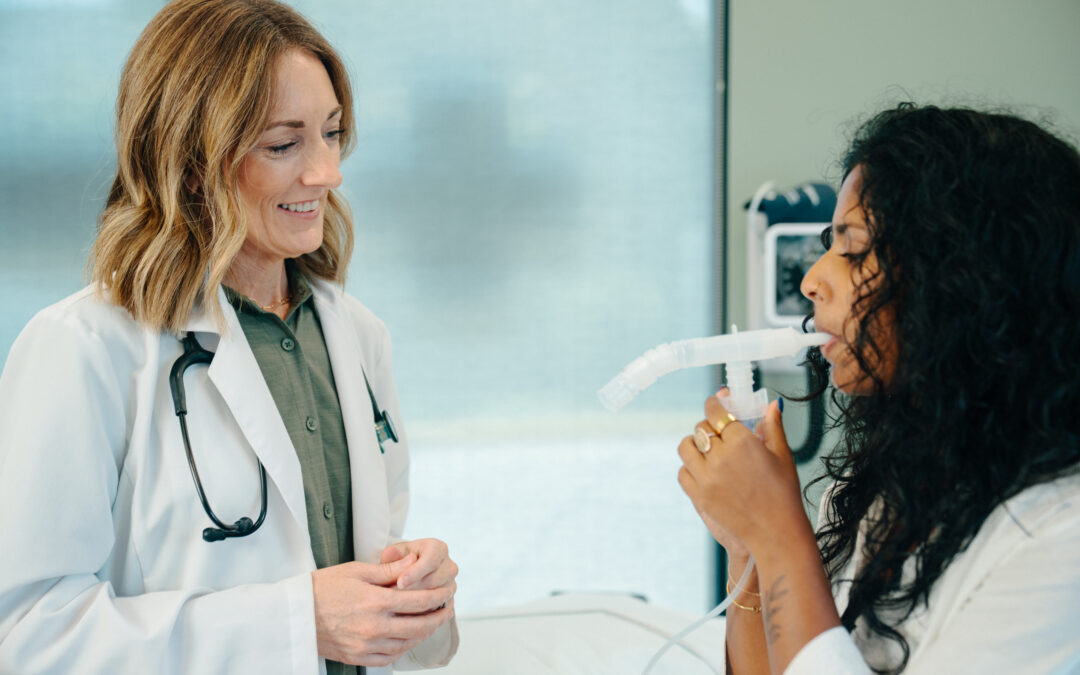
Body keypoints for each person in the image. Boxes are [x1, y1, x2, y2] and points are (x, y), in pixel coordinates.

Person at [0, 1, 458, 673]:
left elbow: (355, 570)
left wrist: (415, 592)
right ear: (189, 160)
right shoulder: (85, 347)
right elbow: (26, 633)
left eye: (331, 133)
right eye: (284, 143)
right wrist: (297, 622)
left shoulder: (356, 335)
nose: (326, 172)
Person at [678, 104, 1080, 673]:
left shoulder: (1061, 537)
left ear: (965, 283)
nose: (814, 279)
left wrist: (776, 531)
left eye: (853, 249)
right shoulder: (875, 490)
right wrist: (748, 549)